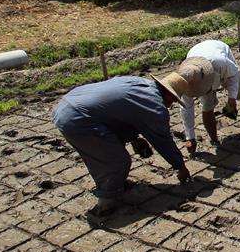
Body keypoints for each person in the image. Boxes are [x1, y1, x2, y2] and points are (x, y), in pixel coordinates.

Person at [52, 75, 191, 217]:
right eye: (173, 99)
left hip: (68, 103)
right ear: (167, 93)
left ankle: (117, 184)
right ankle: (106, 202)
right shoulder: (155, 105)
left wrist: (134, 139)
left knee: (110, 147)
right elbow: (163, 140)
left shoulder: (138, 82)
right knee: (117, 161)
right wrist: (180, 166)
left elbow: (121, 111)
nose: (171, 104)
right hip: (77, 119)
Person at [178, 40, 240, 155]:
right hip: (197, 56)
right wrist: (190, 137)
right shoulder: (186, 81)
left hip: (217, 52)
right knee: (207, 105)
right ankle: (214, 139)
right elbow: (186, 109)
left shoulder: (221, 62)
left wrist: (232, 98)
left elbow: (234, 75)